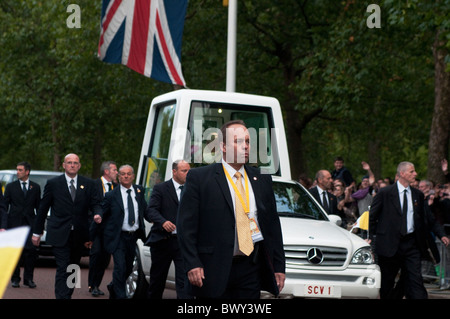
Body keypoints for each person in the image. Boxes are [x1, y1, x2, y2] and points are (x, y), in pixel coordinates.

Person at [177, 120, 285, 299]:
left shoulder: (262, 178)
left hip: (250, 267)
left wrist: (279, 266)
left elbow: (273, 226)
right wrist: (192, 263)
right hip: (212, 268)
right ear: (223, 146)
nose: (245, 147)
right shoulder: (200, 178)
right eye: (238, 141)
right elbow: (185, 226)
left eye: (248, 142)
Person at [369, 161, 450, 299]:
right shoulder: (385, 193)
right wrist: (370, 238)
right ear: (402, 173)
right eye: (412, 171)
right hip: (389, 246)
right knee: (387, 283)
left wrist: (441, 234)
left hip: (411, 245)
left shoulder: (417, 195)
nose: (415, 174)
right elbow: (371, 218)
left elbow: (429, 219)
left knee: (415, 281)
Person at [32, 153, 102, 299]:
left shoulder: (88, 184)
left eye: (75, 163)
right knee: (63, 267)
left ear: (79, 165)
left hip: (79, 234)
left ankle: (68, 295)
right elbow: (43, 208)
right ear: (64, 165)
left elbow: (96, 203)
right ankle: (61, 297)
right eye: (69, 162)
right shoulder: (54, 184)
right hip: (59, 232)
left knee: (74, 267)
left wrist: (97, 213)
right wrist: (37, 232)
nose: (72, 165)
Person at [93, 164, 148, 299]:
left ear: (133, 176)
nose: (126, 176)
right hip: (118, 237)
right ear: (119, 177)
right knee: (120, 267)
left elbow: (145, 210)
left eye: (128, 174)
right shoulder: (112, 195)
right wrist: (98, 215)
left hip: (134, 236)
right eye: (123, 174)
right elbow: (102, 208)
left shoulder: (139, 191)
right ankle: (120, 295)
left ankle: (113, 287)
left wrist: (157, 219)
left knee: (129, 268)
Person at [145, 159, 191, 299]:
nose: (187, 174)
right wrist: (163, 222)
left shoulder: (193, 189)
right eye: (184, 171)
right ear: (174, 171)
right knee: (157, 282)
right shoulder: (161, 188)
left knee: (184, 282)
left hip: (182, 243)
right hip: (162, 242)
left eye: (189, 171)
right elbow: (151, 210)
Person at [4, 162, 41, 288]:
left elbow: (39, 208)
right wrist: (3, 225)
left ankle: (28, 279)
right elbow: (4, 207)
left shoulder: (35, 187)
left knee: (31, 252)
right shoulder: (10, 187)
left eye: (20, 170)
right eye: (17, 169)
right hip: (14, 224)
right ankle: (15, 279)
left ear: (27, 172)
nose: (17, 172)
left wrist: (39, 228)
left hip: (30, 225)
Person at [88, 161, 118, 297]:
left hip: (110, 229)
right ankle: (92, 284)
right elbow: (90, 204)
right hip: (96, 228)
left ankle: (97, 284)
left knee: (105, 259)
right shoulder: (94, 185)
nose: (116, 172)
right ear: (106, 171)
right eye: (114, 170)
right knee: (96, 255)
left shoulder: (116, 187)